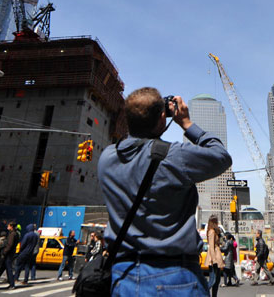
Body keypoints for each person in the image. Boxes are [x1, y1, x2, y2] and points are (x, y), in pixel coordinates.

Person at [98, 88, 232, 296]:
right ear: (162, 118)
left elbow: (133, 142)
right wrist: (186, 123)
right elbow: (221, 156)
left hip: (121, 276)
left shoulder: (106, 158)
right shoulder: (174, 156)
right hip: (175, 277)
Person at [0, 221, 17, 289]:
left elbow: (10, 244)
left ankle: (12, 284)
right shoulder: (14, 233)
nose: (7, 227)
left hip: (8, 253)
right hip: (10, 253)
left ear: (11, 227)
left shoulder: (12, 234)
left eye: (8, 226)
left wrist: (4, 251)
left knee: (8, 269)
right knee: (3, 268)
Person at [205, 215, 224, 297]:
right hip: (214, 259)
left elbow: (219, 243)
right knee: (212, 280)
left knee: (217, 280)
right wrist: (214, 260)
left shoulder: (215, 231)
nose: (218, 223)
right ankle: (202, 293)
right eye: (216, 221)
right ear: (214, 222)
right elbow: (211, 247)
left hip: (217, 256)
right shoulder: (211, 232)